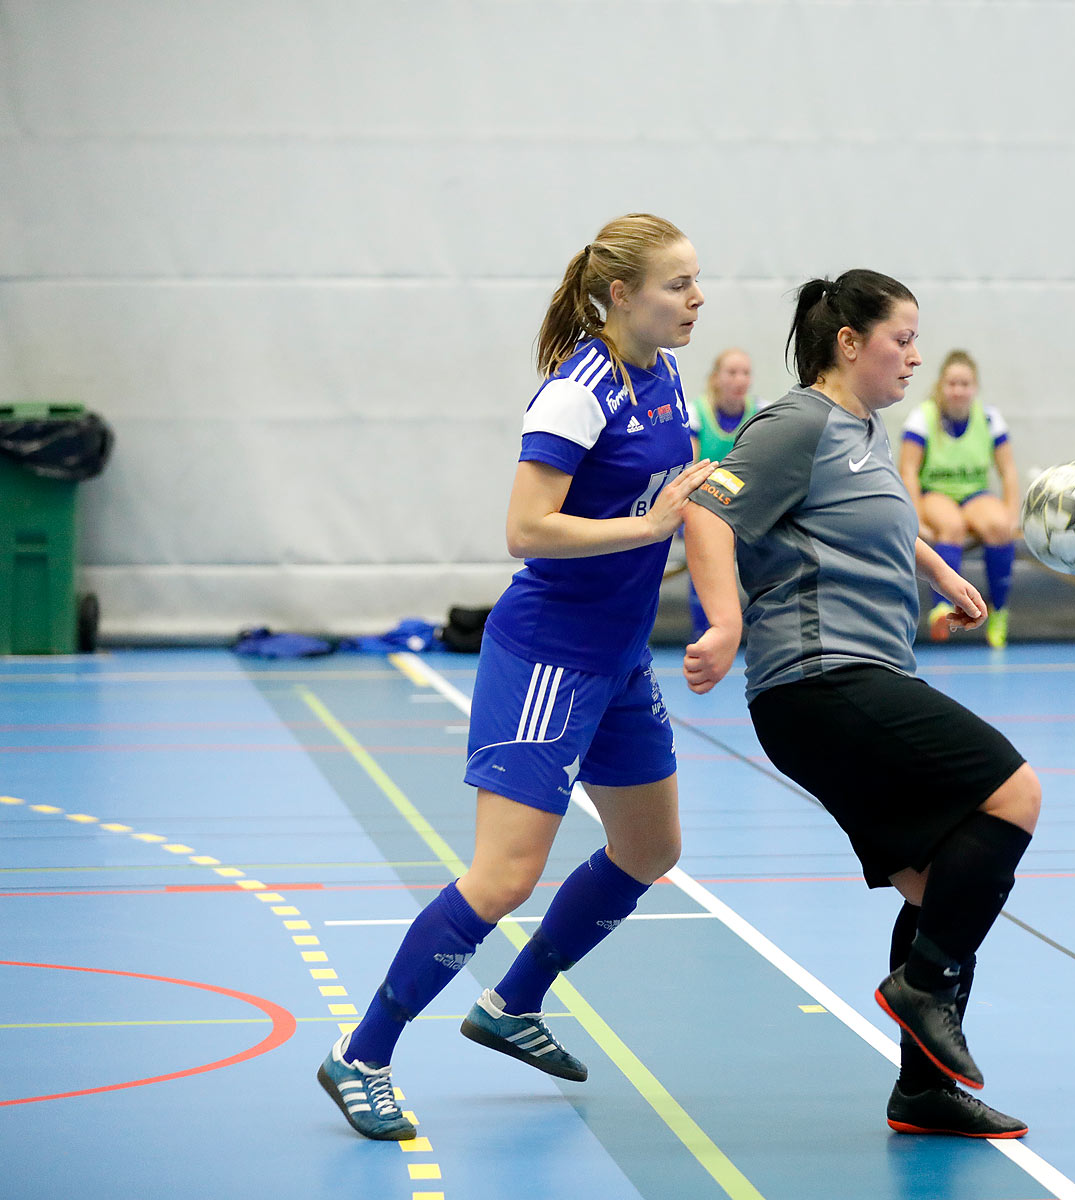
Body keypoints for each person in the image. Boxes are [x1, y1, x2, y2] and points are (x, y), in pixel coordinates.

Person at [318, 214, 715, 1140]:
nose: (696, 299)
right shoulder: (576, 392)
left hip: (619, 655)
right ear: (619, 294)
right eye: (677, 284)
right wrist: (644, 529)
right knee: (501, 879)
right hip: (549, 653)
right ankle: (362, 1054)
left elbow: (679, 492)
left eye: (699, 281)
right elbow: (527, 529)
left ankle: (512, 1002)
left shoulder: (660, 378)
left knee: (650, 851)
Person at [683, 270, 1039, 1140]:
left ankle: (923, 1089)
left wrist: (942, 571)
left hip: (860, 674)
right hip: (819, 679)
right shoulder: (798, 422)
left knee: (937, 880)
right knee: (1014, 793)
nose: (915, 355)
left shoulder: (864, 432)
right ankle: (925, 987)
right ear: (850, 344)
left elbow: (867, 518)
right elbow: (707, 510)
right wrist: (726, 621)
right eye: (902, 338)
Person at [900, 350, 1022, 647]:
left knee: (998, 527)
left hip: (973, 494)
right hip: (936, 494)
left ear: (975, 387)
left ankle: (999, 610)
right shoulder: (923, 417)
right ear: (942, 385)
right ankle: (943, 606)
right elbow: (908, 471)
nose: (958, 390)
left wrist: (1012, 513)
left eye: (965, 384)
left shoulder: (990, 418)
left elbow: (1008, 470)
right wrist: (915, 517)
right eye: (952, 384)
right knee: (950, 524)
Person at [685, 348, 757, 636]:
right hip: (706, 509)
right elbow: (687, 472)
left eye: (745, 373)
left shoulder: (762, 413)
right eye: (731, 372)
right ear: (716, 378)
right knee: (702, 554)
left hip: (748, 512)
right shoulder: (695, 414)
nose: (739, 379)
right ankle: (704, 636)